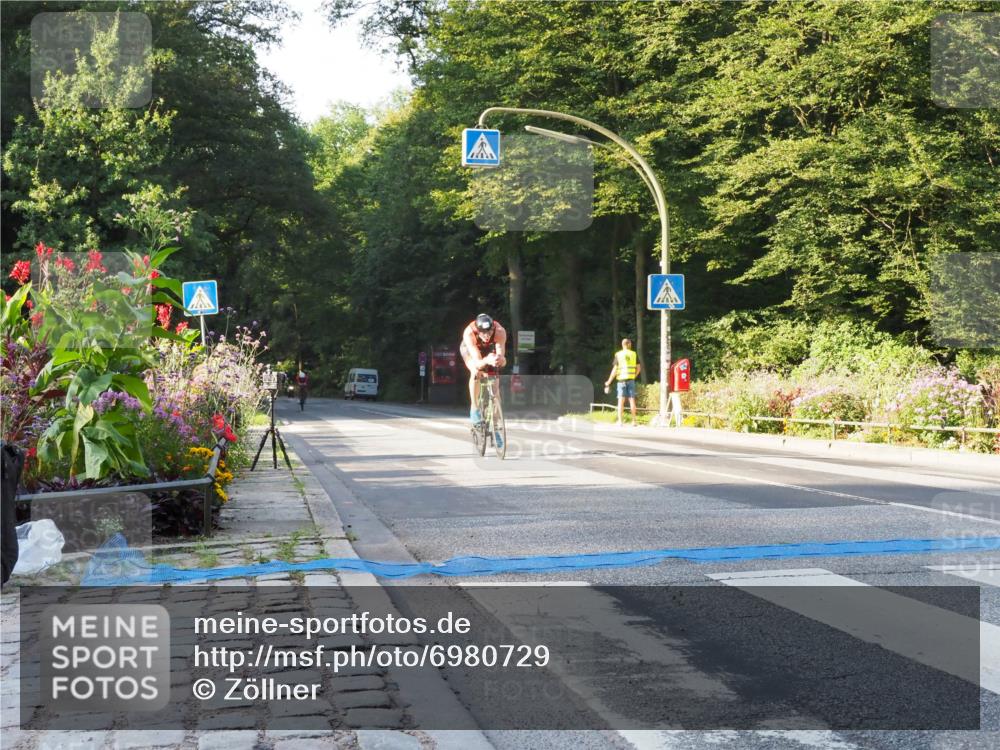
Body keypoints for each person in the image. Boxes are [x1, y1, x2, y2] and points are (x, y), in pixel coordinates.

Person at [460, 313, 507, 425]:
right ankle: (474, 408)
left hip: (488, 349)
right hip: (471, 349)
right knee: (476, 371)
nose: (486, 335)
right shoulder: (469, 332)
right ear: (478, 330)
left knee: (495, 385)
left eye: (489, 332)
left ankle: (496, 425)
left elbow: (502, 358)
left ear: (493, 328)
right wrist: (486, 361)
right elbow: (477, 362)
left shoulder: (500, 331)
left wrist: (500, 360)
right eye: (483, 333)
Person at [604, 338, 641, 426]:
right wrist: (633, 376)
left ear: (622, 345)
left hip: (621, 381)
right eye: (630, 343)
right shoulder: (634, 354)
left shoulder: (618, 354)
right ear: (628, 344)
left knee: (621, 401)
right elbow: (639, 368)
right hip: (631, 380)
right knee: (632, 400)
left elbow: (615, 370)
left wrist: (608, 382)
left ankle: (620, 421)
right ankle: (634, 421)